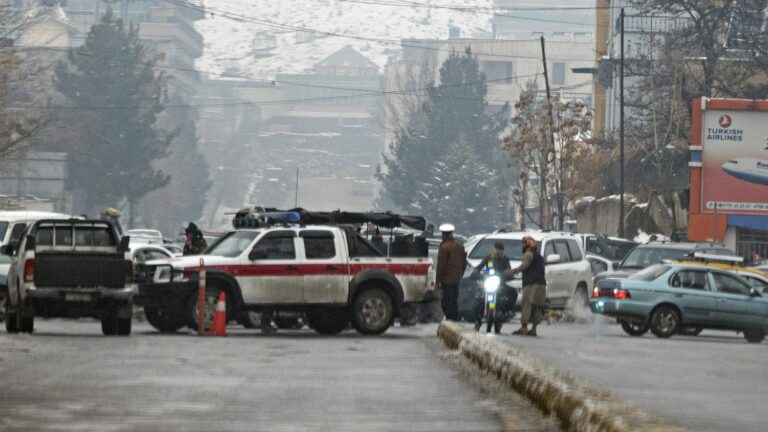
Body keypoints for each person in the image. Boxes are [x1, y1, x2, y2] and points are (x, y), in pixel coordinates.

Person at [506, 236, 546, 336]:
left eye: (523, 243)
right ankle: (534, 329)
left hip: (531, 284)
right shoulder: (539, 256)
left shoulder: (528, 254)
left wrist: (512, 271)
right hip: (541, 284)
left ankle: (524, 328)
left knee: (526, 305)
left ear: (527, 245)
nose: (522, 246)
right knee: (537, 307)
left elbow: (524, 266)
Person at [472, 241, 513, 332]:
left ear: (503, 251)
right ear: (494, 249)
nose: (498, 253)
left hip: (500, 283)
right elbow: (479, 267)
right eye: (497, 250)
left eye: (500, 251)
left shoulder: (505, 259)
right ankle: (477, 321)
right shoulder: (488, 258)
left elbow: (509, 270)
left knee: (507, 297)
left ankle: (503, 315)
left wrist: (508, 274)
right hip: (488, 282)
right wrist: (475, 272)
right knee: (478, 299)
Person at [436, 223, 466, 321]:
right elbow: (464, 263)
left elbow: (441, 266)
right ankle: (455, 317)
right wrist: (460, 274)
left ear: (444, 235)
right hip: (457, 278)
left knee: (446, 301)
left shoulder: (444, 247)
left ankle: (450, 318)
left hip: (447, 279)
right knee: (454, 299)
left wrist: (438, 281)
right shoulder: (459, 246)